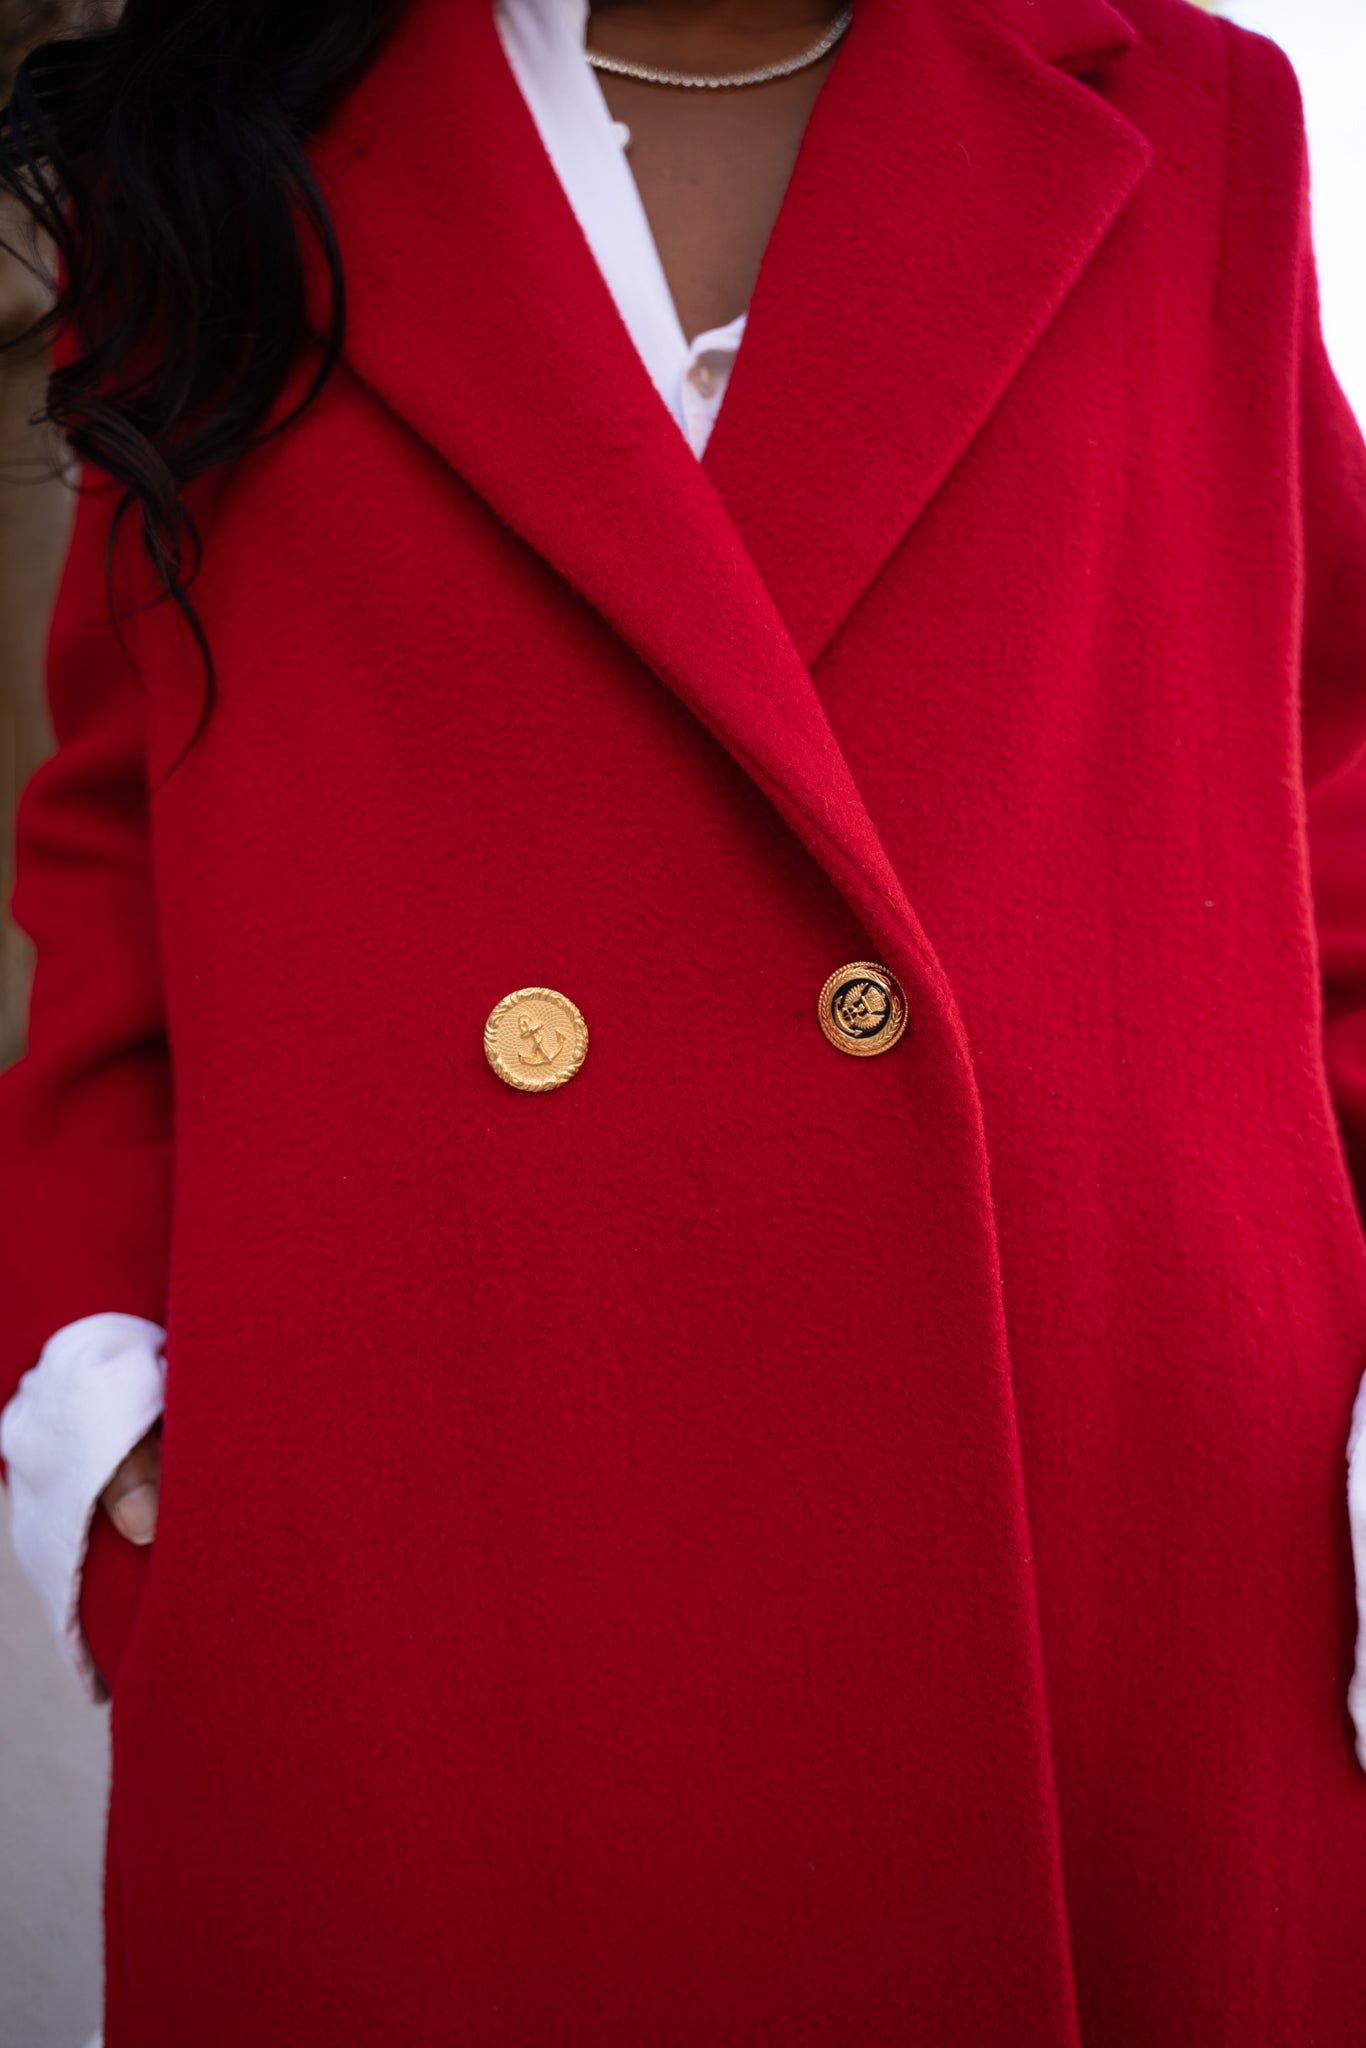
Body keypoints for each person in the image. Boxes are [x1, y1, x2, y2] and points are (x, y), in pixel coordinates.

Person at [1, 0, 1365, 2039]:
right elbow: (116, 825)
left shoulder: (1191, 118)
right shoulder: (216, 150)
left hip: (1122, 1546)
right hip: (425, 1555)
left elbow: (1329, 781)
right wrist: (108, 1384)